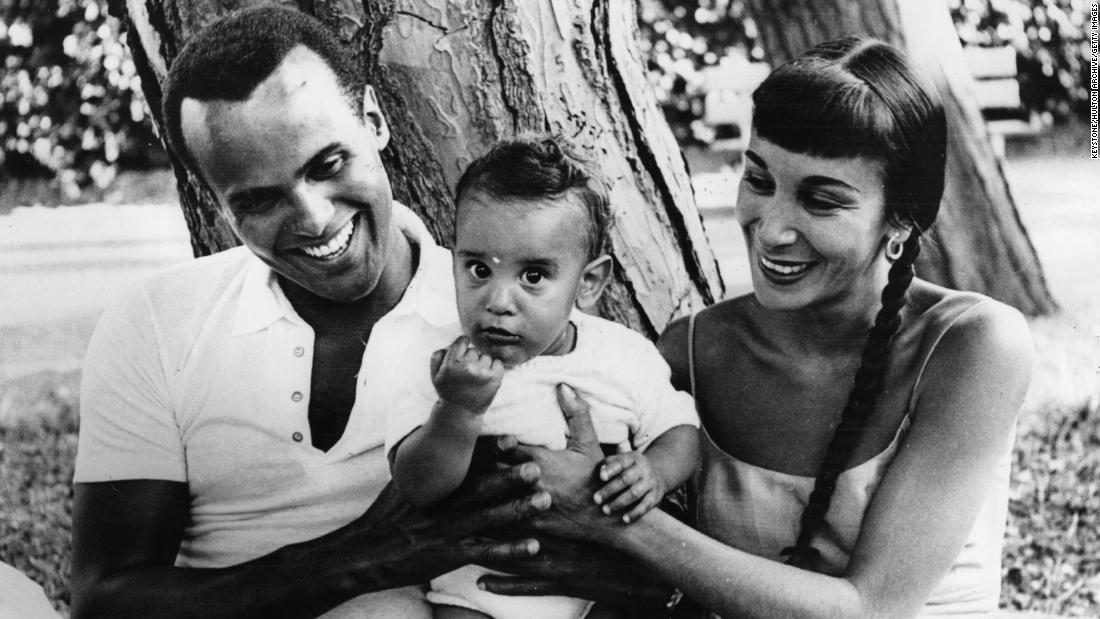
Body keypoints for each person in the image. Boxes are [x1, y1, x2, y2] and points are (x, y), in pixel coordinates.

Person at [483, 37, 1033, 618]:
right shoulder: (692, 352)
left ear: (900, 220)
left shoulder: (972, 346)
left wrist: (618, 524)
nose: (772, 230)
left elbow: (872, 609)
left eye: (821, 201)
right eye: (760, 181)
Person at [69, 7, 565, 618]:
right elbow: (105, 600)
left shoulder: (506, 322)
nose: (313, 219)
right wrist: (364, 556)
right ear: (214, 201)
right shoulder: (156, 322)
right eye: (259, 199)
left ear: (375, 121)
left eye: (328, 165)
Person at [378, 135, 700, 619]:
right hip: (478, 595)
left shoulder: (621, 356)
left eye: (533, 276)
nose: (498, 300)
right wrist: (459, 410)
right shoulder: (440, 362)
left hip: (601, 594)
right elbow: (418, 487)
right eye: (478, 268)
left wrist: (654, 471)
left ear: (588, 283)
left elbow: (681, 431)